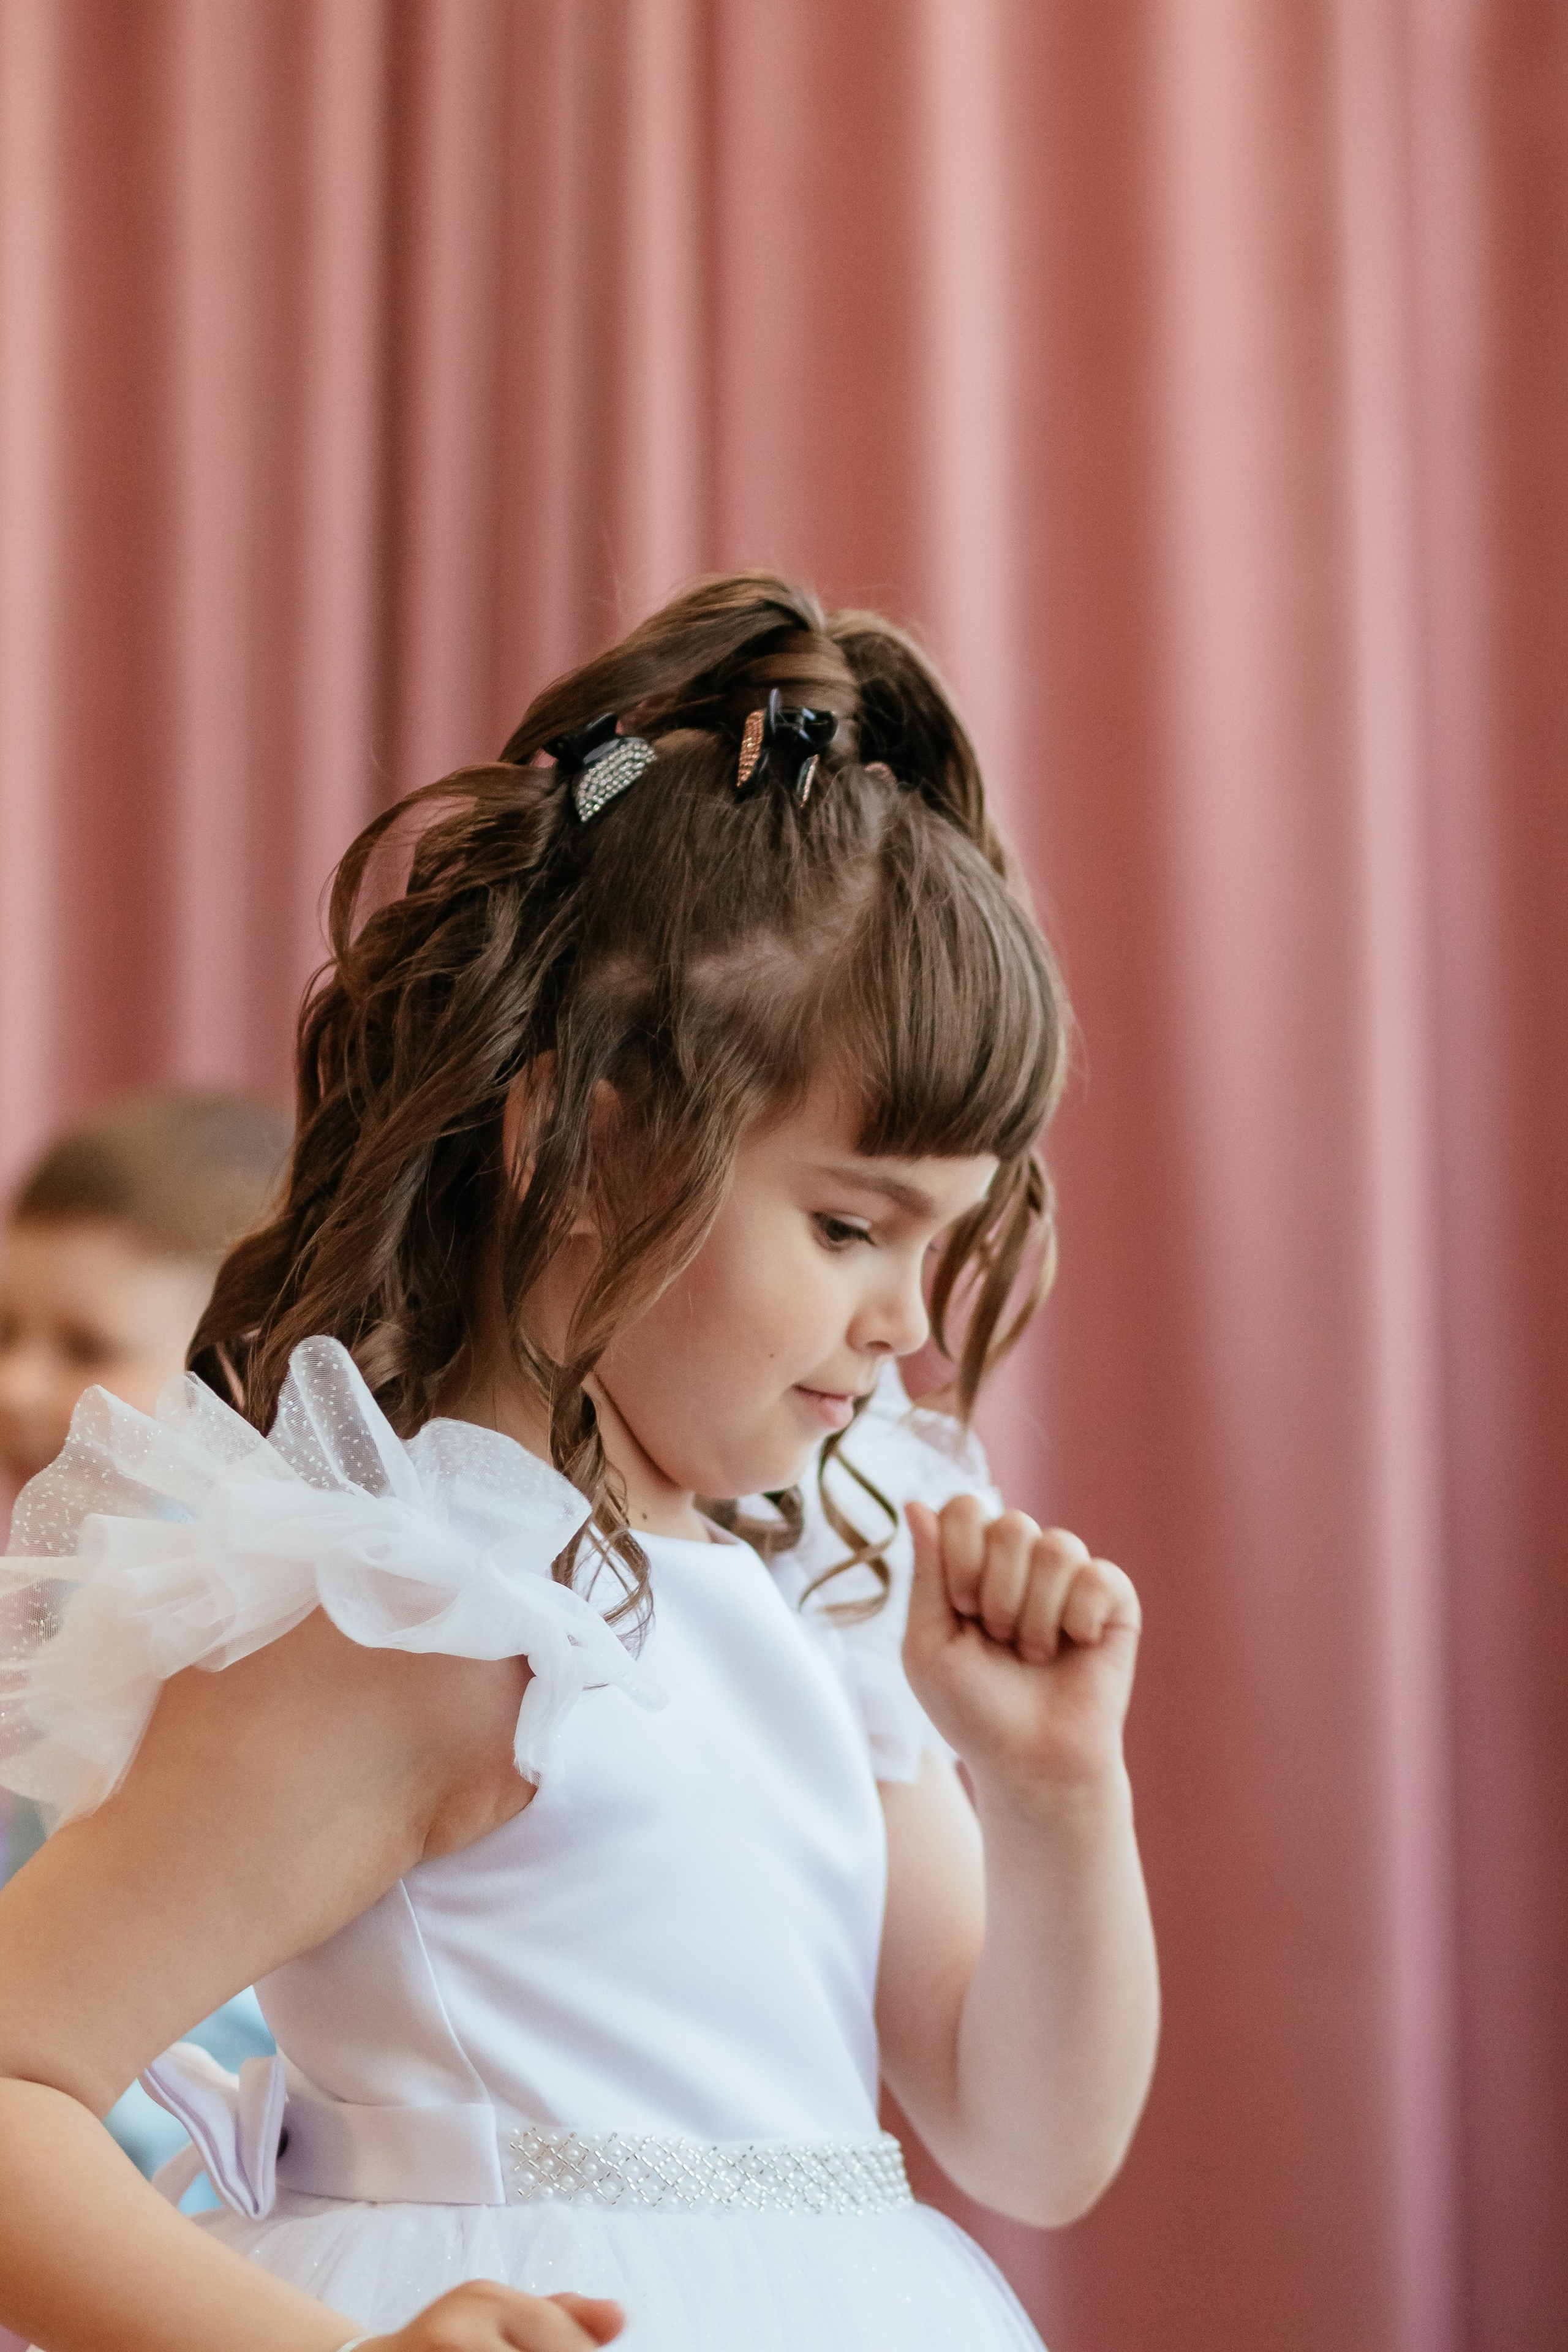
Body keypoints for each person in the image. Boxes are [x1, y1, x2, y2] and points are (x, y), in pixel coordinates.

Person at [0, 573, 1158, 2352]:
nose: (907, 1318)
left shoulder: (824, 1582)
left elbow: (1033, 2142)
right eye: (851, 1225)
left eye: (947, 1240)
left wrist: (1060, 1794)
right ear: (582, 1142)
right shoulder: (432, 1616)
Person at [0, 1090, 292, 2198]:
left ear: (232, 1371)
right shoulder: (85, 1572)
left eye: (86, 1347)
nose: (20, 1387)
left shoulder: (175, 1595)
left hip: (185, 2146)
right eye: (5, 1332)